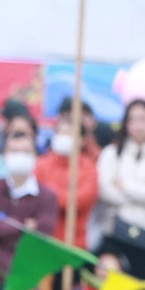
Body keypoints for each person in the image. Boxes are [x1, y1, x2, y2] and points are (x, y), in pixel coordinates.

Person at [96, 99, 145, 279]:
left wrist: (124, 185)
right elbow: (106, 191)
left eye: (143, 119)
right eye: (133, 119)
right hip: (114, 233)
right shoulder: (112, 153)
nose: (138, 125)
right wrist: (142, 189)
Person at [0, 118, 61, 277]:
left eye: (26, 153)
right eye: (14, 152)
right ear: (5, 155)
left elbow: (42, 233)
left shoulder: (47, 196)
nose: (20, 157)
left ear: (36, 156)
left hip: (26, 269)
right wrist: (22, 224)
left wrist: (0, 221)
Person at [39, 99, 99, 250]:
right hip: (44, 239)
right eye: (60, 132)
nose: (63, 137)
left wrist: (51, 197)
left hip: (74, 243)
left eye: (69, 133)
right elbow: (35, 197)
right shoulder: (42, 164)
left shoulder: (88, 169)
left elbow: (81, 200)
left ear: (81, 140)